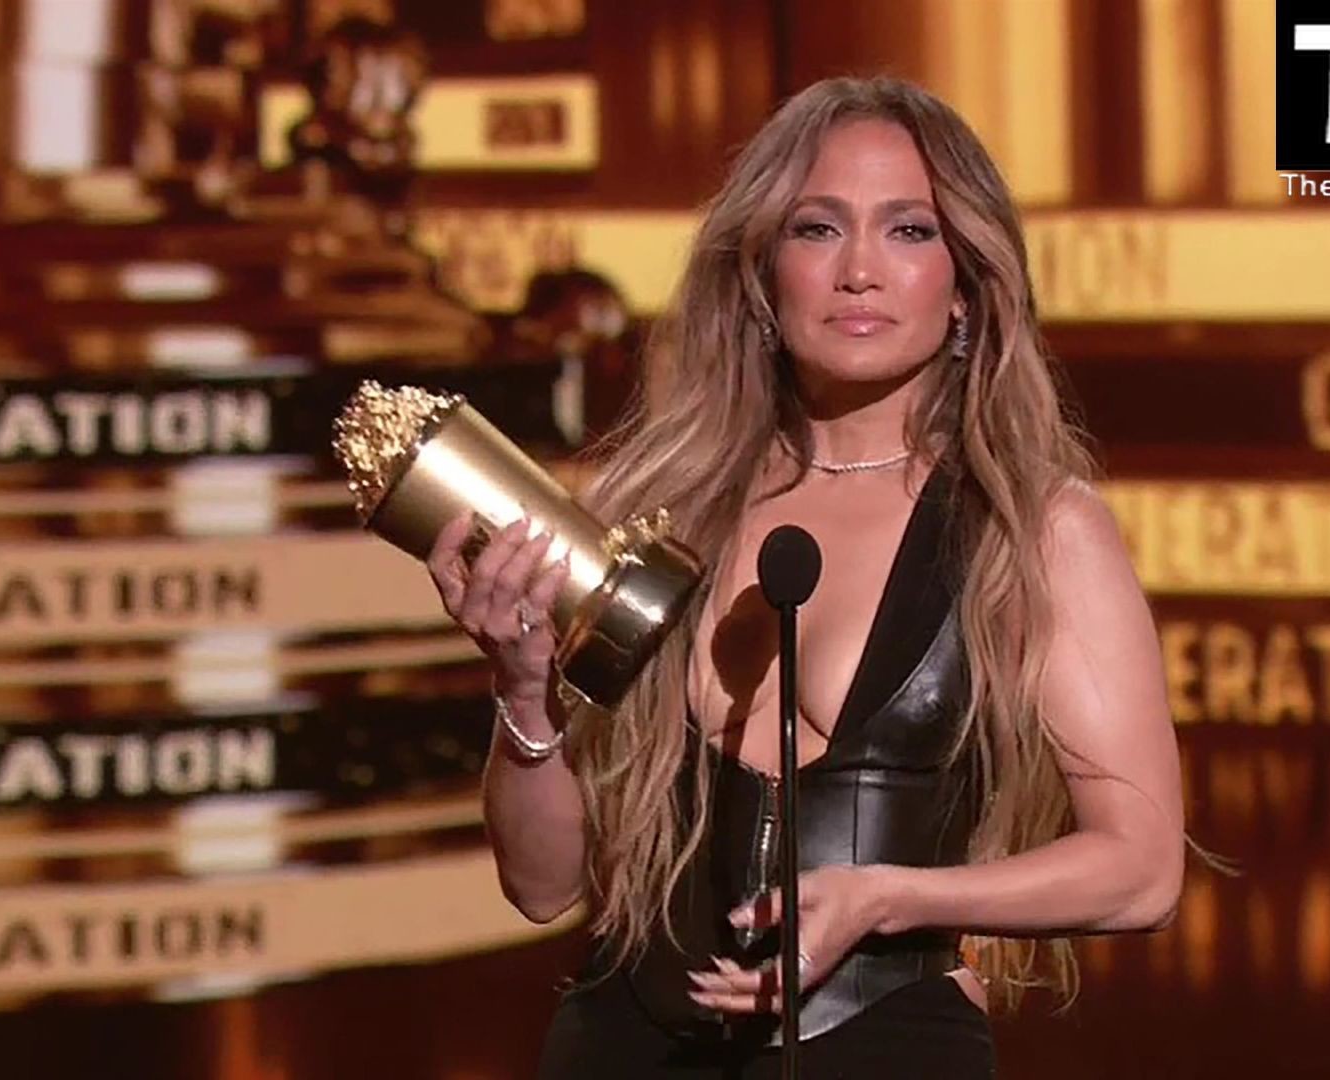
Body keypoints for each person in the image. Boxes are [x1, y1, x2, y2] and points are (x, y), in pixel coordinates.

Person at [425, 75, 1189, 1077]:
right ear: (761, 273)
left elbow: (1141, 871)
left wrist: (891, 897)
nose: (859, 272)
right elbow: (541, 886)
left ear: (964, 283)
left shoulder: (1033, 531)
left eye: (909, 231)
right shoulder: (660, 510)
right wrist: (523, 694)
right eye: (818, 229)